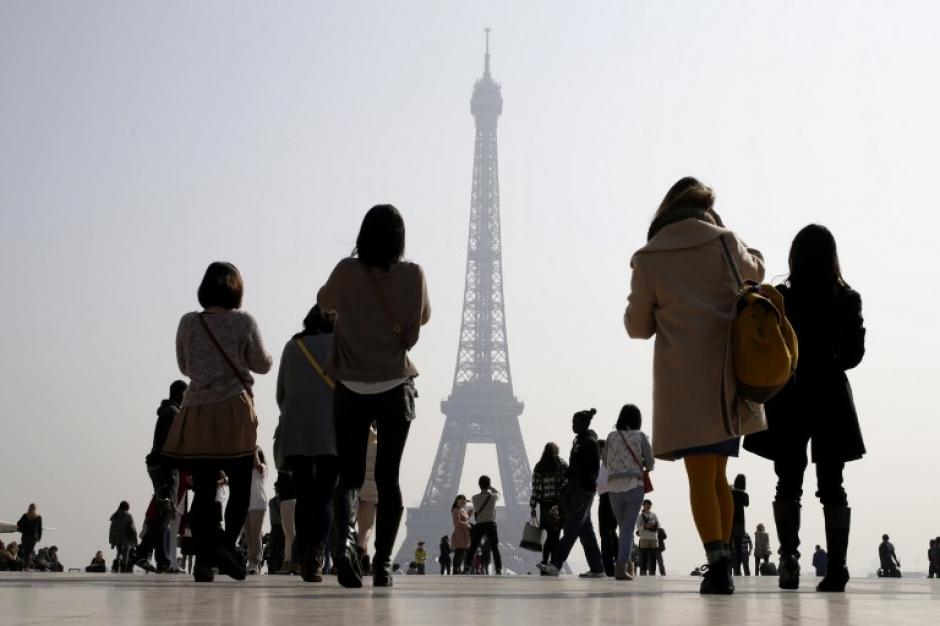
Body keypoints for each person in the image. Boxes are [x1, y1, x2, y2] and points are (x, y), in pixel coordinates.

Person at [625, 177, 766, 595]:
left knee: (702, 477)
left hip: (682, 381)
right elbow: (757, 269)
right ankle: (723, 562)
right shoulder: (724, 240)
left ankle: (719, 564)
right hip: (728, 373)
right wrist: (732, 236)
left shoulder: (648, 257)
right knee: (717, 476)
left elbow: (638, 327)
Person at [744, 224, 866, 593]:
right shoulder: (848, 298)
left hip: (790, 393)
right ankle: (838, 568)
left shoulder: (781, 297)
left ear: (794, 257)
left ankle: (789, 561)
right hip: (830, 393)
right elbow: (855, 354)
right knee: (833, 485)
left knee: (788, 483)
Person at [318, 204, 431, 588]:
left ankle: (345, 545)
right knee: (388, 478)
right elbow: (424, 316)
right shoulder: (414, 274)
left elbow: (323, 301)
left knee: (349, 476)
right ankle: (382, 565)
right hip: (394, 388)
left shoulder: (347, 271)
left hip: (350, 386)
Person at [162, 261, 273, 582]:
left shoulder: (189, 322)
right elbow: (262, 364)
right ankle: (224, 546)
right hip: (234, 411)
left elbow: (184, 366)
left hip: (197, 410)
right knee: (240, 485)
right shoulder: (244, 321)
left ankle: (204, 559)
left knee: (205, 488)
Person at [275, 304, 340, 583]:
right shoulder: (341, 346)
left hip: (297, 431)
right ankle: (316, 555)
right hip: (332, 432)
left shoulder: (292, 347)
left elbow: (282, 393)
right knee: (325, 498)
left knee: (303, 497)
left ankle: (301, 556)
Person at [538, 409, 605, 578]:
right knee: (585, 531)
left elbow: (592, 469)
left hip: (582, 490)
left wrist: (582, 483)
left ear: (584, 424)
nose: (572, 425)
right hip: (579, 488)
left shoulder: (588, 442)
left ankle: (555, 564)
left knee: (571, 528)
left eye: (575, 423)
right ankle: (597, 567)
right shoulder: (580, 441)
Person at [136, 380, 186, 573]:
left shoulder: (167, 411)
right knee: (165, 513)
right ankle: (141, 554)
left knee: (163, 513)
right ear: (182, 394)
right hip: (166, 467)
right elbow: (171, 445)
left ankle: (163, 561)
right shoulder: (174, 413)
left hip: (158, 465)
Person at [603, 404, 654, 581]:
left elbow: (605, 461)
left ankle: (629, 564)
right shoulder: (640, 437)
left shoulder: (611, 437)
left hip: (613, 489)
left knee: (624, 529)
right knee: (627, 530)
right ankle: (621, 567)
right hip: (634, 486)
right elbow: (651, 462)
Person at [530, 443, 568, 568]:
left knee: (550, 535)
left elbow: (535, 489)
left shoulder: (539, 466)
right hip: (557, 504)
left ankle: (546, 561)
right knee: (555, 535)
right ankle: (553, 563)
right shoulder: (562, 465)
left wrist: (533, 508)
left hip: (545, 505)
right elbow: (566, 482)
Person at [465, 476, 503, 575]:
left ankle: (467, 567)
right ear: (488, 484)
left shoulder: (474, 498)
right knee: (495, 548)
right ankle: (498, 569)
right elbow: (498, 493)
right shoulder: (493, 497)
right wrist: (491, 487)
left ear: (479, 485)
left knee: (473, 547)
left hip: (480, 524)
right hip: (491, 523)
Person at [357, 425, 379, 575]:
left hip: (357, 486)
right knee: (368, 526)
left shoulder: (356, 442)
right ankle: (360, 549)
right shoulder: (379, 444)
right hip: (372, 488)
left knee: (360, 525)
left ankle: (364, 559)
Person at [243, 448, 268, 575]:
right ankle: (251, 561)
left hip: (258, 504)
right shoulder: (246, 470)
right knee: (248, 535)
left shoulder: (262, 468)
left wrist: (254, 450)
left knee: (256, 534)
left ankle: (255, 562)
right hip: (246, 505)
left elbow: (257, 464)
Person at [596, 440, 618, 577]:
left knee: (605, 533)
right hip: (613, 498)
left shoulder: (605, 465)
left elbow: (601, 483)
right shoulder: (612, 463)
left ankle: (609, 566)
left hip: (607, 498)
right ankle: (617, 561)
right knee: (611, 532)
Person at [109, 501, 138, 573]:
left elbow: (112, 529)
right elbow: (133, 529)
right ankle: (123, 570)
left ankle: (115, 567)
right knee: (125, 555)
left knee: (119, 553)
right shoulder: (129, 516)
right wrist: (135, 541)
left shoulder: (115, 515)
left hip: (117, 539)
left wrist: (112, 540)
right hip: (127, 539)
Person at [731, 474, 750, 577]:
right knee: (738, 545)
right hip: (740, 522)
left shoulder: (730, 492)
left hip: (729, 520)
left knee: (728, 545)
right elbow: (747, 504)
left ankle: (728, 567)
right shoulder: (744, 495)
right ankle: (738, 568)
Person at [636, 500, 660, 576]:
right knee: (644, 556)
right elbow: (638, 527)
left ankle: (653, 571)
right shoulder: (640, 516)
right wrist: (645, 526)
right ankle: (643, 571)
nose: (648, 506)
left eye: (649, 505)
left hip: (653, 538)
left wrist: (653, 525)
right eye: (647, 505)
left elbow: (658, 525)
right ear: (644, 505)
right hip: (644, 538)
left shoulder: (653, 515)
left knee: (653, 556)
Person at [17, 503, 42, 569]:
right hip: (33, 537)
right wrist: (39, 537)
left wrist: (21, 528)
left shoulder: (25, 516)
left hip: (25, 536)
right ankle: (26, 566)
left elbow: (18, 523)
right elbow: (39, 529)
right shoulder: (38, 517)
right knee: (29, 552)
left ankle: (25, 566)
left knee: (26, 552)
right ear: (35, 509)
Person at [451, 495, 471, 575]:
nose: (463, 503)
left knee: (462, 553)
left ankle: (459, 569)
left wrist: (469, 515)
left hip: (465, 534)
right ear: (457, 501)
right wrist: (467, 525)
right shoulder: (456, 510)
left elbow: (464, 520)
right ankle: (456, 569)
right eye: (461, 501)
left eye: (464, 501)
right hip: (460, 534)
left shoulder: (462, 511)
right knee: (459, 552)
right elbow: (457, 522)